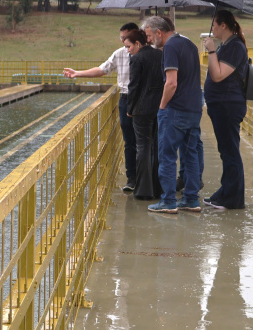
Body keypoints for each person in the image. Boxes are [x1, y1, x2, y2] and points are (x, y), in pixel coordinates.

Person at [64, 22, 139, 191]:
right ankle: (132, 178)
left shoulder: (149, 53)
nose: (122, 42)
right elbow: (102, 69)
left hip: (144, 98)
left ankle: (147, 177)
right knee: (129, 140)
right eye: (121, 38)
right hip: (126, 98)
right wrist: (78, 73)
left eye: (125, 38)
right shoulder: (120, 54)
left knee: (146, 140)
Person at [142, 16, 203, 214]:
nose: (149, 40)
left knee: (167, 156)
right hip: (194, 109)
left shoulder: (170, 48)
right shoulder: (191, 45)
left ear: (159, 32)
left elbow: (171, 82)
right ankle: (191, 199)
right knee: (190, 154)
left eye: (150, 36)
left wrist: (162, 106)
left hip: (175, 109)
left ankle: (168, 200)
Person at [202, 10, 248, 210]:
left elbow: (218, 75)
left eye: (214, 25)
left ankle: (232, 199)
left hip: (228, 105)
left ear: (223, 25)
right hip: (221, 104)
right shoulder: (227, 46)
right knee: (226, 150)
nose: (212, 29)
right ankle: (226, 192)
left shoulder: (235, 46)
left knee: (230, 151)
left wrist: (212, 51)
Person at [123, 29, 163, 200]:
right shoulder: (160, 55)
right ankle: (157, 187)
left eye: (129, 46)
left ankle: (143, 190)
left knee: (143, 147)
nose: (128, 50)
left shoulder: (137, 59)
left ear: (138, 44)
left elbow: (133, 86)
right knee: (155, 146)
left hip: (141, 109)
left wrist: (130, 109)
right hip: (159, 107)